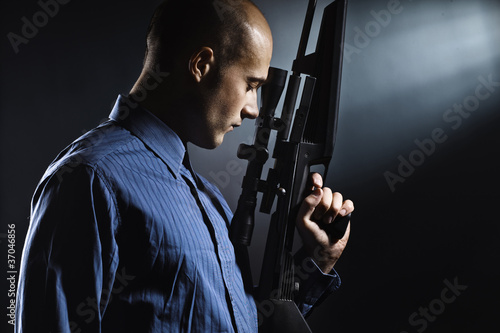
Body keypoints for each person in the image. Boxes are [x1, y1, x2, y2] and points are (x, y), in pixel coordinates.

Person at [15, 0, 354, 332]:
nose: (253, 109)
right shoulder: (90, 177)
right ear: (201, 65)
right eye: (251, 85)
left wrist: (318, 260)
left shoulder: (206, 197)